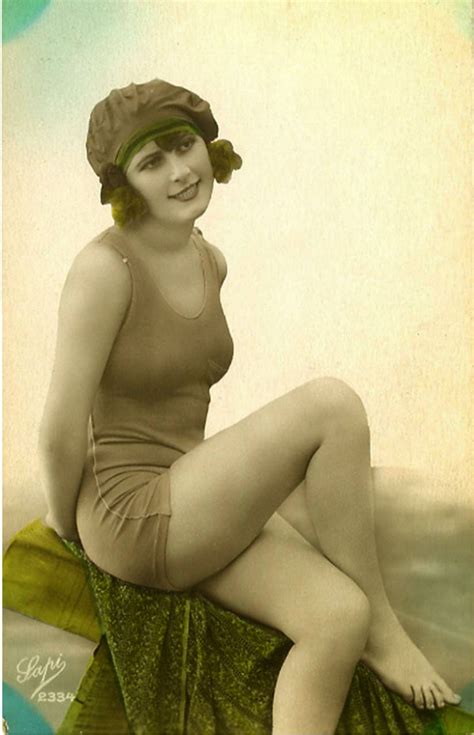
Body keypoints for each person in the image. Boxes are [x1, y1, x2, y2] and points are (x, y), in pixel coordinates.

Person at [39, 78, 461, 735]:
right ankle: (386, 623)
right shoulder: (103, 269)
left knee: (334, 616)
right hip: (131, 512)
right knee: (332, 405)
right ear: (126, 186)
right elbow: (62, 426)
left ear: (211, 148)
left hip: (189, 492)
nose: (180, 172)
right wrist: (66, 528)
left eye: (185, 147)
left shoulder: (211, 261)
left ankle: (361, 625)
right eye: (153, 163)